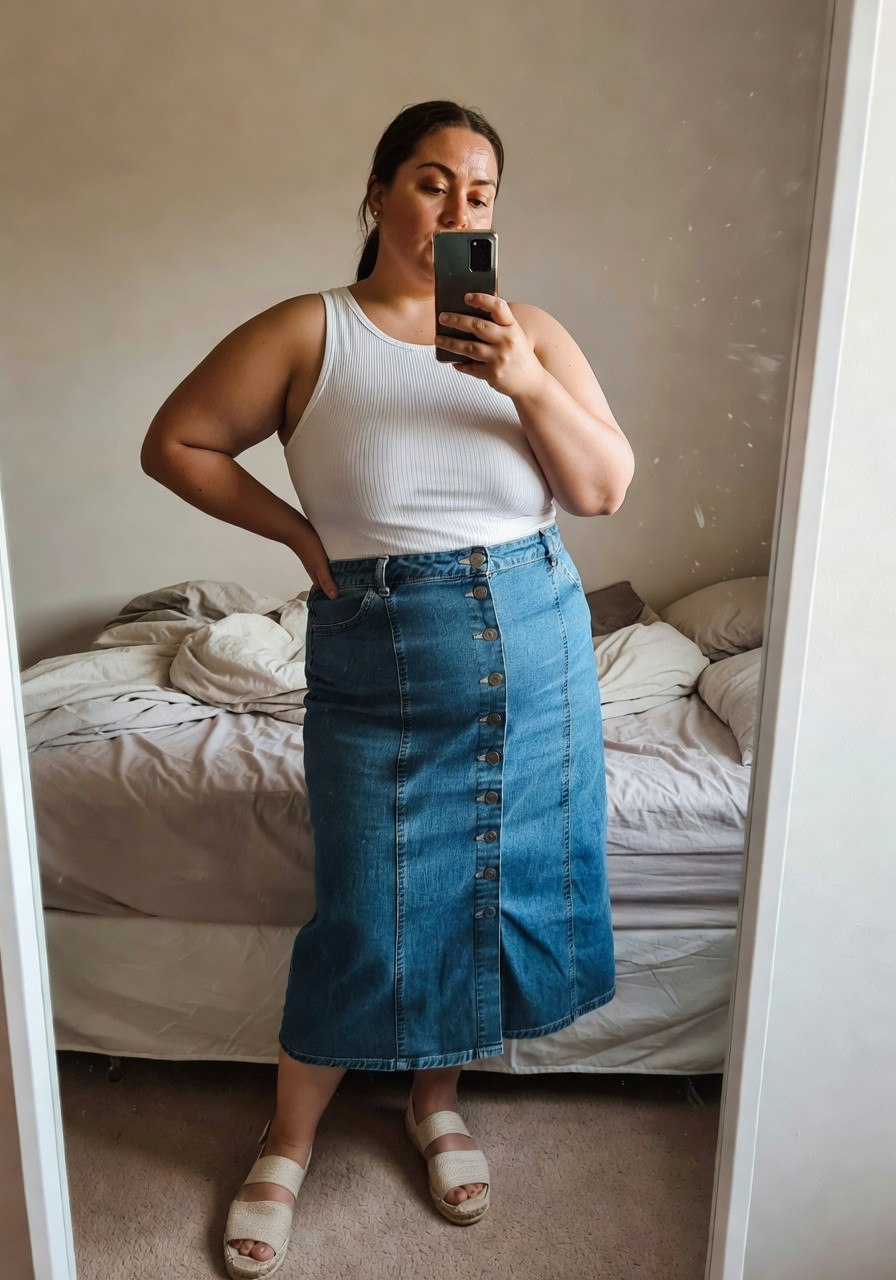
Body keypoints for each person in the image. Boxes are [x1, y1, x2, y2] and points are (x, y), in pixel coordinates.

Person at [141, 98, 635, 1280]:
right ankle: (289, 1136)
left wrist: (522, 375)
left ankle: (433, 1104)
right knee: (370, 900)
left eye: (479, 193)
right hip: (382, 647)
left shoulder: (532, 333)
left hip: (536, 633)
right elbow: (179, 442)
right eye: (429, 182)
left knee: (490, 878)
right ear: (374, 195)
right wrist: (303, 539)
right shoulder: (310, 330)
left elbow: (603, 487)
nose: (454, 210)